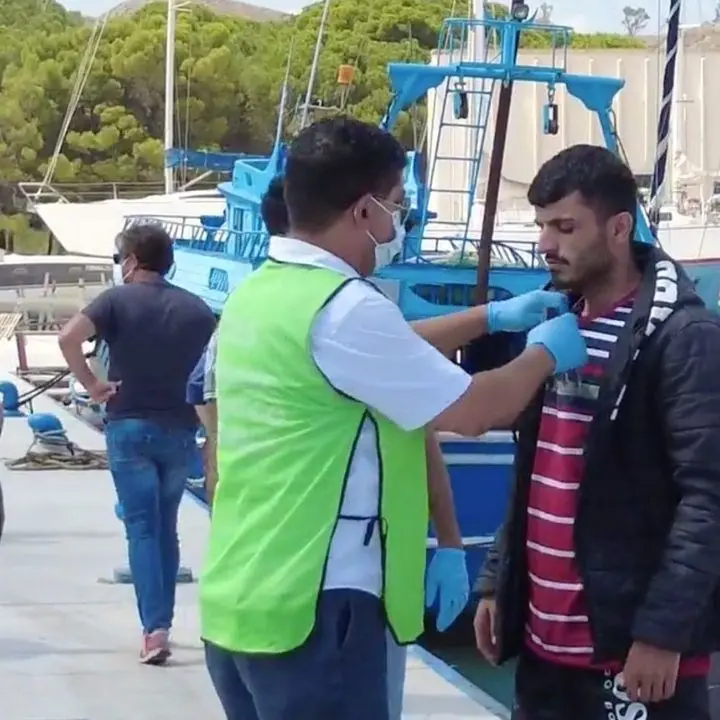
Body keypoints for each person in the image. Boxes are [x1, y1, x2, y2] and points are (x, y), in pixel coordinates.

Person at [199, 116, 587, 720]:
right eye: (398, 206)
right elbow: (478, 408)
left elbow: (380, 349)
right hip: (319, 612)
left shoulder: (265, 293)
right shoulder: (346, 309)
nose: (399, 223)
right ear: (363, 212)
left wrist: (491, 318)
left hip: (243, 601)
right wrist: (546, 350)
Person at [474, 144, 720, 720]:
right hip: (544, 650)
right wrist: (496, 580)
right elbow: (537, 468)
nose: (544, 244)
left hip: (633, 653)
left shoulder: (684, 339)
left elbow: (708, 498)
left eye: (564, 227)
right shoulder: (554, 325)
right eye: (540, 225)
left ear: (618, 227)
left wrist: (662, 634)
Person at [59, 224, 216, 665]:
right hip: (181, 432)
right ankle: (163, 621)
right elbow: (212, 379)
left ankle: (154, 629)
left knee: (142, 528)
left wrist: (92, 384)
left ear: (130, 261)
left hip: (129, 429)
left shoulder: (115, 301)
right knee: (167, 527)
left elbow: (69, 337)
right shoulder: (198, 310)